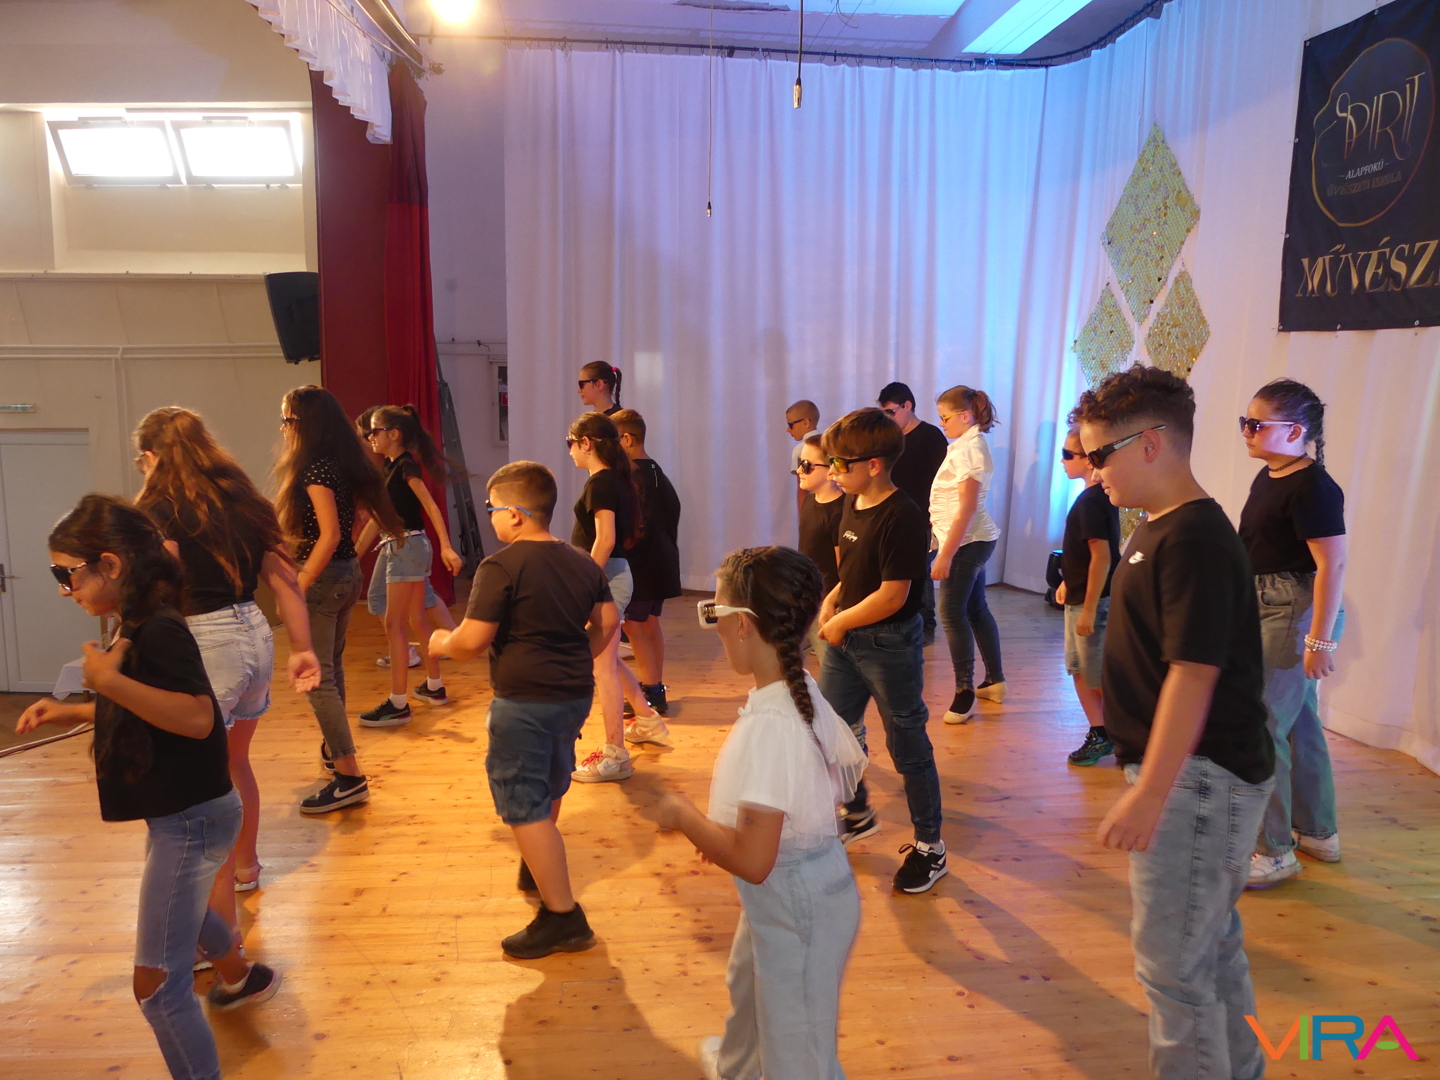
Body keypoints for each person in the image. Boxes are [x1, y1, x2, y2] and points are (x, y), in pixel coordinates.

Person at [18, 495, 280, 1080]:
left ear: (110, 565)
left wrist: (108, 682)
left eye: (67, 573)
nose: (64, 589)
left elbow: (198, 717)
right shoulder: (138, 620)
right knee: (186, 912)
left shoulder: (157, 628)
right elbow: (160, 708)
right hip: (186, 815)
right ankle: (241, 978)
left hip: (191, 821)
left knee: (157, 989)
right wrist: (78, 710)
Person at [1074, 366, 1275, 1080]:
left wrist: (1152, 792)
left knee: (1172, 971)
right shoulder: (1157, 527)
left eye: (1100, 455)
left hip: (1199, 781)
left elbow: (1194, 675)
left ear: (1151, 443)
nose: (1092, 470)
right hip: (1190, 777)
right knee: (1209, 950)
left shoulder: (1193, 539)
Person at [653, 546, 866, 1080]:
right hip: (792, 891)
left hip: (798, 903)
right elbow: (792, 804)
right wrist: (727, 834)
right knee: (749, 985)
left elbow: (753, 860)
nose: (716, 629)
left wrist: (684, 816)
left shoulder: (773, 725)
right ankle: (739, 1068)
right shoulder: (795, 691)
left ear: (743, 624)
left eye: (715, 614)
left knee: (801, 1050)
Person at [133, 406, 321, 924]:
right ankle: (245, 867)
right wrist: (302, 648)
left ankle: (212, 916)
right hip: (253, 632)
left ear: (150, 456)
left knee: (198, 781)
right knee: (235, 762)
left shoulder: (158, 509)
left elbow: (160, 585)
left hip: (205, 639)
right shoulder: (243, 499)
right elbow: (285, 580)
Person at [430, 462, 618, 957]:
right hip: (572, 695)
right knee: (551, 780)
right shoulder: (582, 562)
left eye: (492, 508)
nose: (490, 516)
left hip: (524, 701)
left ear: (515, 514)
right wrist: (579, 657)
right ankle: (540, 864)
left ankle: (563, 917)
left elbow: (472, 641)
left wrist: (442, 641)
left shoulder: (501, 566)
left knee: (521, 801)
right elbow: (607, 620)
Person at [817, 407, 947, 894]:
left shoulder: (903, 515)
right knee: (830, 731)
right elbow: (854, 572)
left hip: (889, 645)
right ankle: (857, 812)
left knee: (907, 746)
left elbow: (893, 595)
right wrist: (833, 601)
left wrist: (840, 621)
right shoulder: (851, 502)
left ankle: (930, 847)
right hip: (847, 640)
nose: (832, 471)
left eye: (839, 463)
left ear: (873, 465)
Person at [1238, 378, 1348, 888]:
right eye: (1245, 422)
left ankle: (1274, 850)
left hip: (1292, 610)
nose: (1247, 431)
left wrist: (1319, 641)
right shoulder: (1271, 476)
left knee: (1261, 729)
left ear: (1296, 431)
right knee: (1299, 724)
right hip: (1269, 605)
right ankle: (1318, 832)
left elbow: (1332, 565)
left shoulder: (1314, 488)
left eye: (1256, 424)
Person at [276, 385, 404, 813]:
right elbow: (348, 526)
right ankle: (337, 753)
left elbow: (329, 534)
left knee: (318, 679)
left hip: (325, 578)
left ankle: (349, 776)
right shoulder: (339, 463)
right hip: (344, 574)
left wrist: (299, 585)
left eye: (288, 420)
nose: (284, 428)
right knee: (331, 669)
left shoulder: (315, 469)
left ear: (306, 424)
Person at [566, 411, 670, 781]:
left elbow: (606, 540)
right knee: (606, 657)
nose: (569, 451)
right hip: (611, 576)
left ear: (586, 443)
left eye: (570, 444)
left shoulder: (602, 483)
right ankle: (646, 717)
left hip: (606, 579)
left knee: (602, 667)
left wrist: (585, 582)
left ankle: (616, 756)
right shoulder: (611, 479)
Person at [356, 405, 465, 728]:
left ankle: (398, 703)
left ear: (393, 434)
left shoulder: (405, 465)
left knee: (394, 624)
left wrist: (447, 546)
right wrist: (354, 554)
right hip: (400, 546)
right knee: (416, 619)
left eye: (374, 431)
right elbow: (378, 519)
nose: (370, 437)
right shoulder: (389, 468)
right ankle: (434, 686)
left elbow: (430, 505)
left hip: (407, 547)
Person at [930, 385, 1006, 722]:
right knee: (975, 608)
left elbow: (967, 507)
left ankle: (964, 692)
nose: (942, 423)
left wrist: (945, 555)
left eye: (945, 417)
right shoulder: (965, 445)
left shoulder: (971, 449)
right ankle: (994, 682)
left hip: (968, 542)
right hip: (968, 539)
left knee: (950, 612)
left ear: (964, 416)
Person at [1056, 422, 1120, 766]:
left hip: (1094, 603)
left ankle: (1123, 736)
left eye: (1068, 455)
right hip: (1080, 598)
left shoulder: (1094, 502)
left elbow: (1102, 557)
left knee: (1096, 676)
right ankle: (1100, 732)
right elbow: (1083, 551)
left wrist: (1090, 609)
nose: (1063, 461)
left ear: (1088, 459)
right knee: (1079, 669)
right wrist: (1069, 581)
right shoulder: (1090, 499)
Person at [613, 408, 682, 717]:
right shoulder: (655, 470)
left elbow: (637, 524)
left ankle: (652, 691)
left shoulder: (634, 475)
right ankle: (654, 687)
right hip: (660, 560)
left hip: (642, 563)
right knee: (650, 623)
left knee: (635, 625)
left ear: (627, 439)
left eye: (613, 441)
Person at [879, 382, 949, 645]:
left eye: (891, 411)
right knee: (899, 568)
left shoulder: (931, 436)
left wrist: (935, 516)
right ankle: (902, 619)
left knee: (921, 570)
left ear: (907, 405)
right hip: (895, 514)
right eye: (884, 413)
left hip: (923, 517)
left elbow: (944, 480)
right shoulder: (890, 440)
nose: (888, 418)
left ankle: (926, 623)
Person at [794, 431, 843, 652]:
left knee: (830, 662)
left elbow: (845, 570)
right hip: (807, 600)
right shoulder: (809, 503)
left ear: (830, 469)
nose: (799, 471)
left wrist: (830, 604)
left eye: (806, 465)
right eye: (800, 463)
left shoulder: (840, 511)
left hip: (827, 604)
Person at [785, 399, 819, 516]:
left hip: (813, 510)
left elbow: (802, 490)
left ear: (806, 423)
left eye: (790, 425)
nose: (788, 430)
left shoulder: (800, 449)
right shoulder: (830, 444)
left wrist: (802, 520)